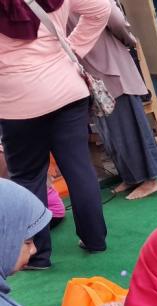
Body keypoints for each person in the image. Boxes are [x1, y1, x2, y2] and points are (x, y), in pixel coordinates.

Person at [0, 0, 110, 268]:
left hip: (16, 101)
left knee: (27, 177)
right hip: (66, 90)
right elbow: (102, 9)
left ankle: (37, 254)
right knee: (79, 168)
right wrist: (71, 49)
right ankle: (95, 239)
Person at [68, 0, 157, 200]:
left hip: (109, 61)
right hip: (89, 67)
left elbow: (116, 19)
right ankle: (132, 177)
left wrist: (127, 40)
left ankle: (150, 179)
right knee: (110, 130)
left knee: (129, 124)